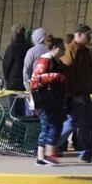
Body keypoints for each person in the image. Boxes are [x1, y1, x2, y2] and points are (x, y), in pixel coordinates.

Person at [61, 25, 92, 162]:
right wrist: (73, 92)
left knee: (86, 124)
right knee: (73, 122)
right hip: (77, 94)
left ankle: (86, 153)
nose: (90, 37)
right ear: (78, 34)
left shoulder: (84, 50)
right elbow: (67, 72)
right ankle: (50, 145)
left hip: (84, 93)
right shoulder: (72, 50)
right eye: (87, 34)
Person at [29, 35, 68, 166]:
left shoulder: (55, 61)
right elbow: (36, 78)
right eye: (63, 48)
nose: (64, 50)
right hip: (45, 101)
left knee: (49, 127)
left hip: (52, 101)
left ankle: (43, 157)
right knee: (51, 127)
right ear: (56, 48)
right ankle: (46, 156)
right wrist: (56, 76)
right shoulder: (45, 60)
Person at [0, 25, 30, 116]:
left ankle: (15, 129)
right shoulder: (28, 47)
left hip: (13, 83)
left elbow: (6, 65)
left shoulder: (11, 48)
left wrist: (7, 78)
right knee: (24, 108)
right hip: (25, 82)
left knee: (14, 109)